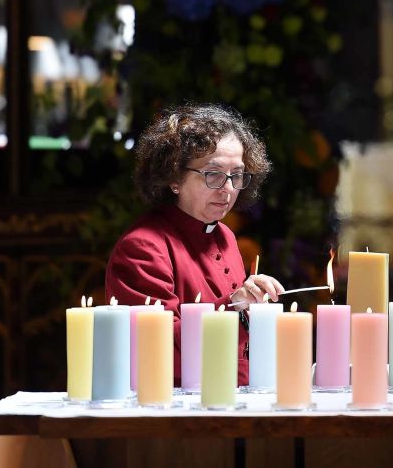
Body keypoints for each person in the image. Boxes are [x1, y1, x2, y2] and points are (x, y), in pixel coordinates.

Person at [105, 103, 285, 386]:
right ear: (174, 177)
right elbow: (160, 348)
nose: (228, 189)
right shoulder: (143, 247)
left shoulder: (224, 234)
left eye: (236, 175)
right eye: (213, 174)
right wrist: (235, 305)